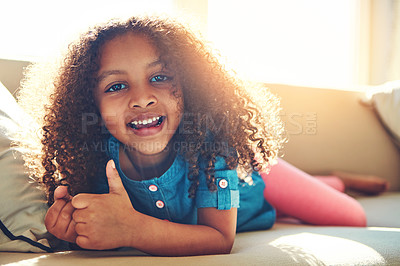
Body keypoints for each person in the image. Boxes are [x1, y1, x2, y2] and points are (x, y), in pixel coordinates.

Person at [17, 16, 367, 256]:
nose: (141, 98)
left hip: (253, 175)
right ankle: (324, 180)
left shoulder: (213, 146)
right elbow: (99, 225)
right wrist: (69, 231)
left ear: (190, 85)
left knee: (354, 218)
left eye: (159, 77)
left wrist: (133, 229)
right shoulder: (92, 159)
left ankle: (335, 180)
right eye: (117, 85)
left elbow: (219, 239)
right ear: (87, 104)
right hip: (236, 182)